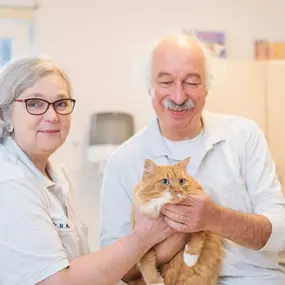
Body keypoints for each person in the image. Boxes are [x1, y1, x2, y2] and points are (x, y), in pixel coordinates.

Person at [99, 33, 285, 285]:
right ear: (149, 87)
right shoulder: (124, 160)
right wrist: (152, 240)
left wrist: (216, 219)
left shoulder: (244, 135)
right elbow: (115, 270)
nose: (178, 96)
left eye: (191, 82)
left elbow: (280, 232)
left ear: (207, 86)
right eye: (165, 82)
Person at [0, 56, 174, 285]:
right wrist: (142, 236)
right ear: (5, 113)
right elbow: (56, 282)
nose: (52, 116)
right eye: (35, 103)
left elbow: (80, 264)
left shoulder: (57, 173)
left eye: (61, 103)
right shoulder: (9, 182)